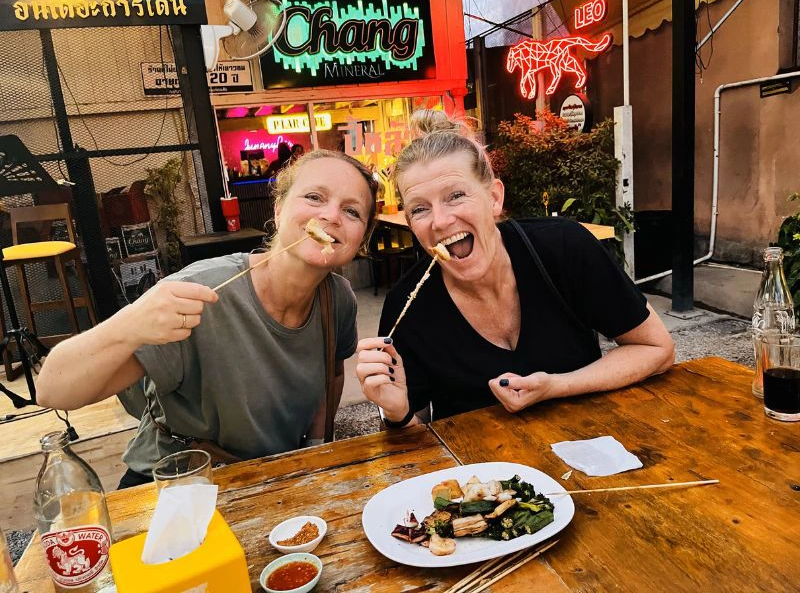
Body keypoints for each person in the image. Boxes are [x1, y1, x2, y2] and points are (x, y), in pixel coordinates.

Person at [36, 150, 378, 487]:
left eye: (352, 211)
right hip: (177, 482)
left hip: (271, 479)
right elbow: (54, 390)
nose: (332, 215)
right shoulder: (200, 292)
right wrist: (128, 323)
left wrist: (316, 447)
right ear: (278, 207)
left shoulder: (338, 301)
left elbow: (330, 375)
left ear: (362, 236)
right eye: (315, 197)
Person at [356, 110, 674, 428]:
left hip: (593, 445)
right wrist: (397, 413)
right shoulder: (407, 306)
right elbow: (416, 444)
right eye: (420, 209)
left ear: (494, 198)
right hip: (482, 472)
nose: (439, 221)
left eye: (455, 196)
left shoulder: (562, 248)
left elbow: (656, 348)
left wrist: (556, 386)